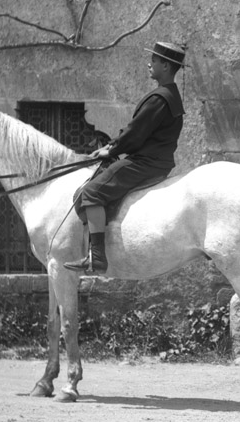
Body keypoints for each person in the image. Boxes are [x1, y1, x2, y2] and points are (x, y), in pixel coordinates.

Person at [67, 42, 187, 274]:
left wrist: (110, 151)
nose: (149, 63)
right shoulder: (170, 96)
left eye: (153, 60)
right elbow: (136, 130)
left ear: (165, 65)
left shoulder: (159, 99)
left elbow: (135, 134)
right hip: (156, 161)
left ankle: (97, 258)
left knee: (91, 192)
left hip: (146, 163)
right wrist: (112, 146)